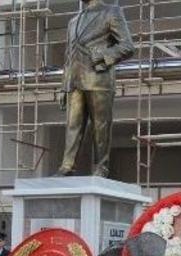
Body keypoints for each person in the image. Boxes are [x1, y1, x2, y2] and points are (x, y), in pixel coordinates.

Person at [57, 0, 135, 177]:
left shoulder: (111, 12)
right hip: (75, 80)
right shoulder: (73, 21)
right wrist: (64, 86)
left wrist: (102, 55)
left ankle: (101, 166)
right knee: (72, 124)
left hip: (99, 78)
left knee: (101, 126)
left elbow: (128, 46)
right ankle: (67, 165)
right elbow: (68, 55)